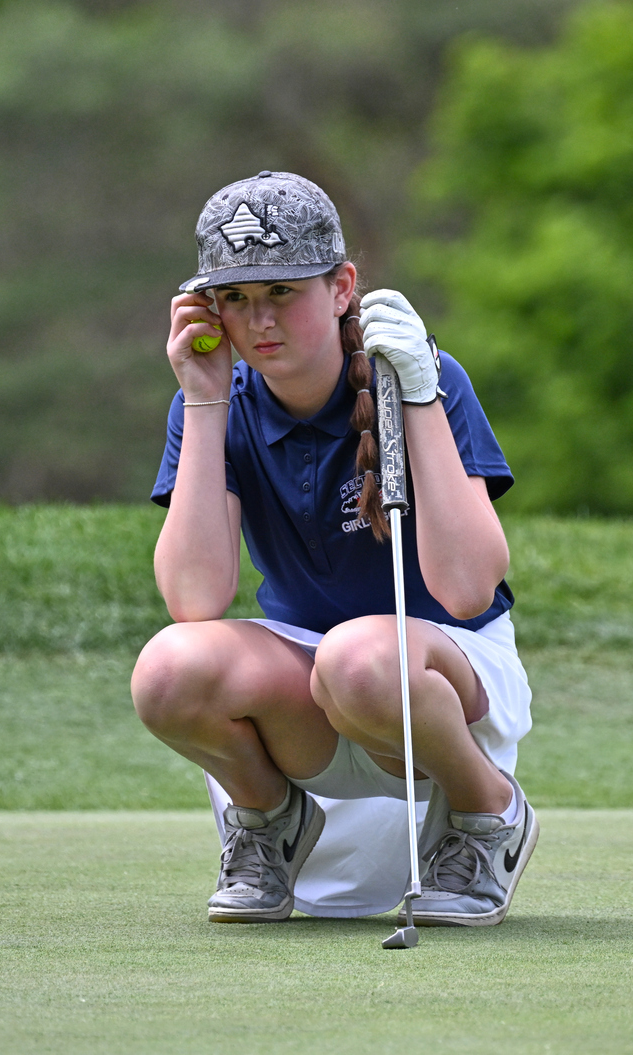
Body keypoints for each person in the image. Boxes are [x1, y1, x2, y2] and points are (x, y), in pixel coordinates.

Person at [130, 170, 536, 926]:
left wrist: (416, 395)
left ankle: (488, 816)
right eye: (237, 299)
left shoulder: (421, 376)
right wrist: (203, 395)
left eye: (283, 292)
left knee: (358, 657)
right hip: (306, 683)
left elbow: (470, 588)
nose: (259, 321)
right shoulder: (216, 403)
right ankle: (270, 820)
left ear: (342, 286)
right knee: (165, 669)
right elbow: (194, 601)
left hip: (442, 673)